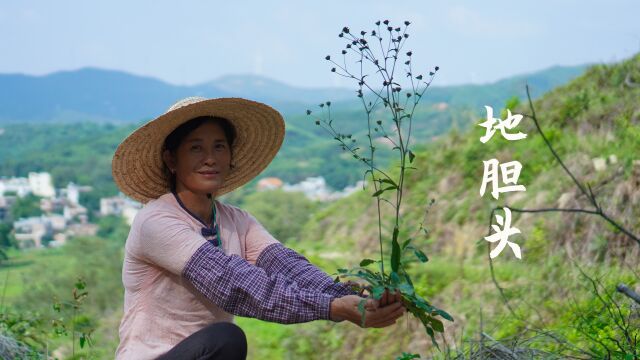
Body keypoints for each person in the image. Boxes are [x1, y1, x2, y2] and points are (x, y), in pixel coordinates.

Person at [112, 97, 406, 360]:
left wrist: (350, 296)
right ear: (171, 159)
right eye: (195, 148)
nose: (210, 158)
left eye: (219, 146)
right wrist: (334, 307)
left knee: (225, 340)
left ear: (230, 156)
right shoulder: (156, 221)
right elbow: (235, 284)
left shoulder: (236, 221)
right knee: (226, 339)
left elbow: (286, 266)